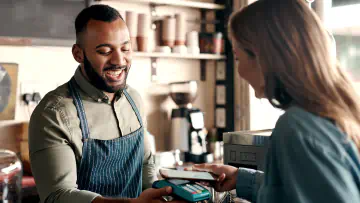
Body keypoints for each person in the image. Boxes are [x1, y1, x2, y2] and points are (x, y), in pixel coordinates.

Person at [190, 0, 360, 202]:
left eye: (237, 57)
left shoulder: (297, 128)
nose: (239, 70)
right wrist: (240, 178)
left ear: (263, 58)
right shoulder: (334, 113)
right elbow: (301, 189)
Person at [29, 5, 184, 203]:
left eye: (125, 49)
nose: (119, 60)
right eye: (105, 51)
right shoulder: (54, 113)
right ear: (78, 54)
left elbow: (145, 164)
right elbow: (57, 196)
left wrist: (162, 195)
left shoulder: (133, 99)